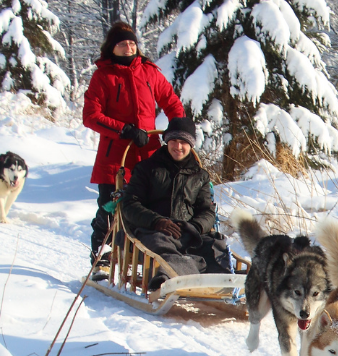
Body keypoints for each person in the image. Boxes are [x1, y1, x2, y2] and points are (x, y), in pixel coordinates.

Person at [82, 21, 184, 266]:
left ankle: (146, 255)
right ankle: (103, 257)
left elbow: (171, 102)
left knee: (151, 207)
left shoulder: (149, 72)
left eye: (131, 43)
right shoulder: (103, 75)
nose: (128, 47)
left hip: (148, 153)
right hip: (115, 155)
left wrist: (178, 130)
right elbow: (91, 116)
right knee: (111, 207)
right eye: (122, 44)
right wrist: (124, 130)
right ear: (112, 48)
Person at [118, 117, 231, 292]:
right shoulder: (146, 169)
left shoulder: (200, 176)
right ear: (167, 141)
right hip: (154, 231)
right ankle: (170, 280)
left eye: (183, 142)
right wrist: (157, 221)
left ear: (191, 145)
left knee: (216, 244)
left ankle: (224, 286)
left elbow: (207, 211)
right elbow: (130, 205)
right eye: (174, 141)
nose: (178, 147)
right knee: (162, 246)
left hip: (188, 232)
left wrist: (195, 227)